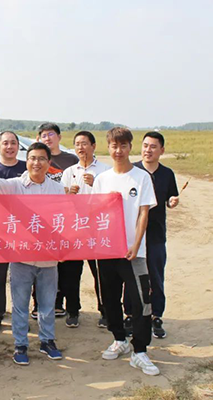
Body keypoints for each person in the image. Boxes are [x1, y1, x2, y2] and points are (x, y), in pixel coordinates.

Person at [0, 142, 65, 366]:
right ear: (27, 161)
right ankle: (21, 344)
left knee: (47, 304)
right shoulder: (16, 185)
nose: (36, 163)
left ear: (48, 163)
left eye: (41, 159)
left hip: (48, 259)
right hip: (22, 257)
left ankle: (47, 341)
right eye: (32, 158)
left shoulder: (57, 188)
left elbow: (65, 219)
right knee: (20, 305)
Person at [92, 127, 159, 376]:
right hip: (107, 251)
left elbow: (143, 213)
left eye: (123, 145)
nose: (118, 151)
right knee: (109, 299)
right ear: (108, 148)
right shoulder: (102, 179)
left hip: (133, 253)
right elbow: (93, 213)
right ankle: (119, 339)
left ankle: (139, 350)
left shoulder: (141, 178)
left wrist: (136, 244)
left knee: (141, 301)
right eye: (114, 146)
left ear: (130, 147)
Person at [123, 131, 179, 339]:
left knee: (155, 276)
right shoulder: (132, 171)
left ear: (161, 150)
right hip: (132, 233)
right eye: (145, 145)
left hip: (155, 235)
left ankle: (156, 316)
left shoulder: (167, 174)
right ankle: (130, 314)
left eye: (153, 147)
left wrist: (172, 202)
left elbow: (170, 197)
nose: (148, 150)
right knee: (131, 276)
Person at [59, 131, 111, 329]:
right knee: (71, 273)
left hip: (97, 229)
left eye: (84, 144)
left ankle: (105, 311)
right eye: (77, 144)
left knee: (101, 273)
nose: (81, 148)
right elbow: (59, 200)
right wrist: (67, 193)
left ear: (93, 146)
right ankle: (73, 310)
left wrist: (96, 183)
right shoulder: (69, 171)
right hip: (74, 228)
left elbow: (112, 199)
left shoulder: (105, 171)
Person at [0, 131, 27, 333]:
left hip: (23, 231)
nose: (9, 147)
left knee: (22, 278)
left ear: (18, 146)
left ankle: (21, 315)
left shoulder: (26, 168)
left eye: (13, 143)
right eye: (5, 143)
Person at [36, 123, 79, 318]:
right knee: (43, 261)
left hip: (66, 218)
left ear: (59, 137)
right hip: (43, 219)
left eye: (51, 134)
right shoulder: (37, 159)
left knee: (65, 263)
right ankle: (44, 303)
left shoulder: (71, 159)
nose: (48, 138)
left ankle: (66, 304)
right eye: (44, 135)